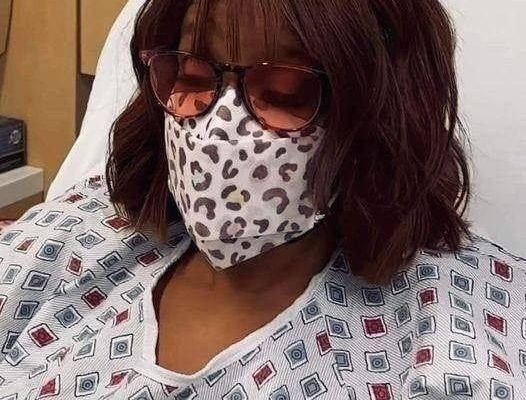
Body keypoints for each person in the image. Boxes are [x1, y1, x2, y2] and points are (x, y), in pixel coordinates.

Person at [0, 0, 525, 398]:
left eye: (285, 90)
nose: (219, 130)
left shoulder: (457, 340)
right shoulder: (78, 236)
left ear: (379, 112)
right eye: (193, 73)